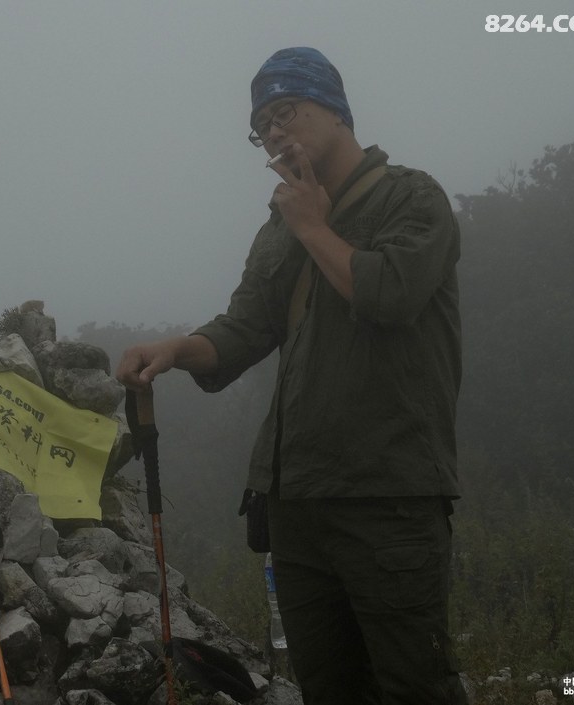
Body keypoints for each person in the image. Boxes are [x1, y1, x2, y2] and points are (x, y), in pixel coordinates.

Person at [116, 47, 466, 704]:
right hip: (295, 502)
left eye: (286, 111)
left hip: (387, 496)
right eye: (262, 125)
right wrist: (175, 348)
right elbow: (244, 330)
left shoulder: (411, 198)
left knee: (416, 685)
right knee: (327, 687)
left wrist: (311, 222)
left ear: (334, 109)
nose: (274, 132)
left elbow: (389, 295)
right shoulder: (279, 227)